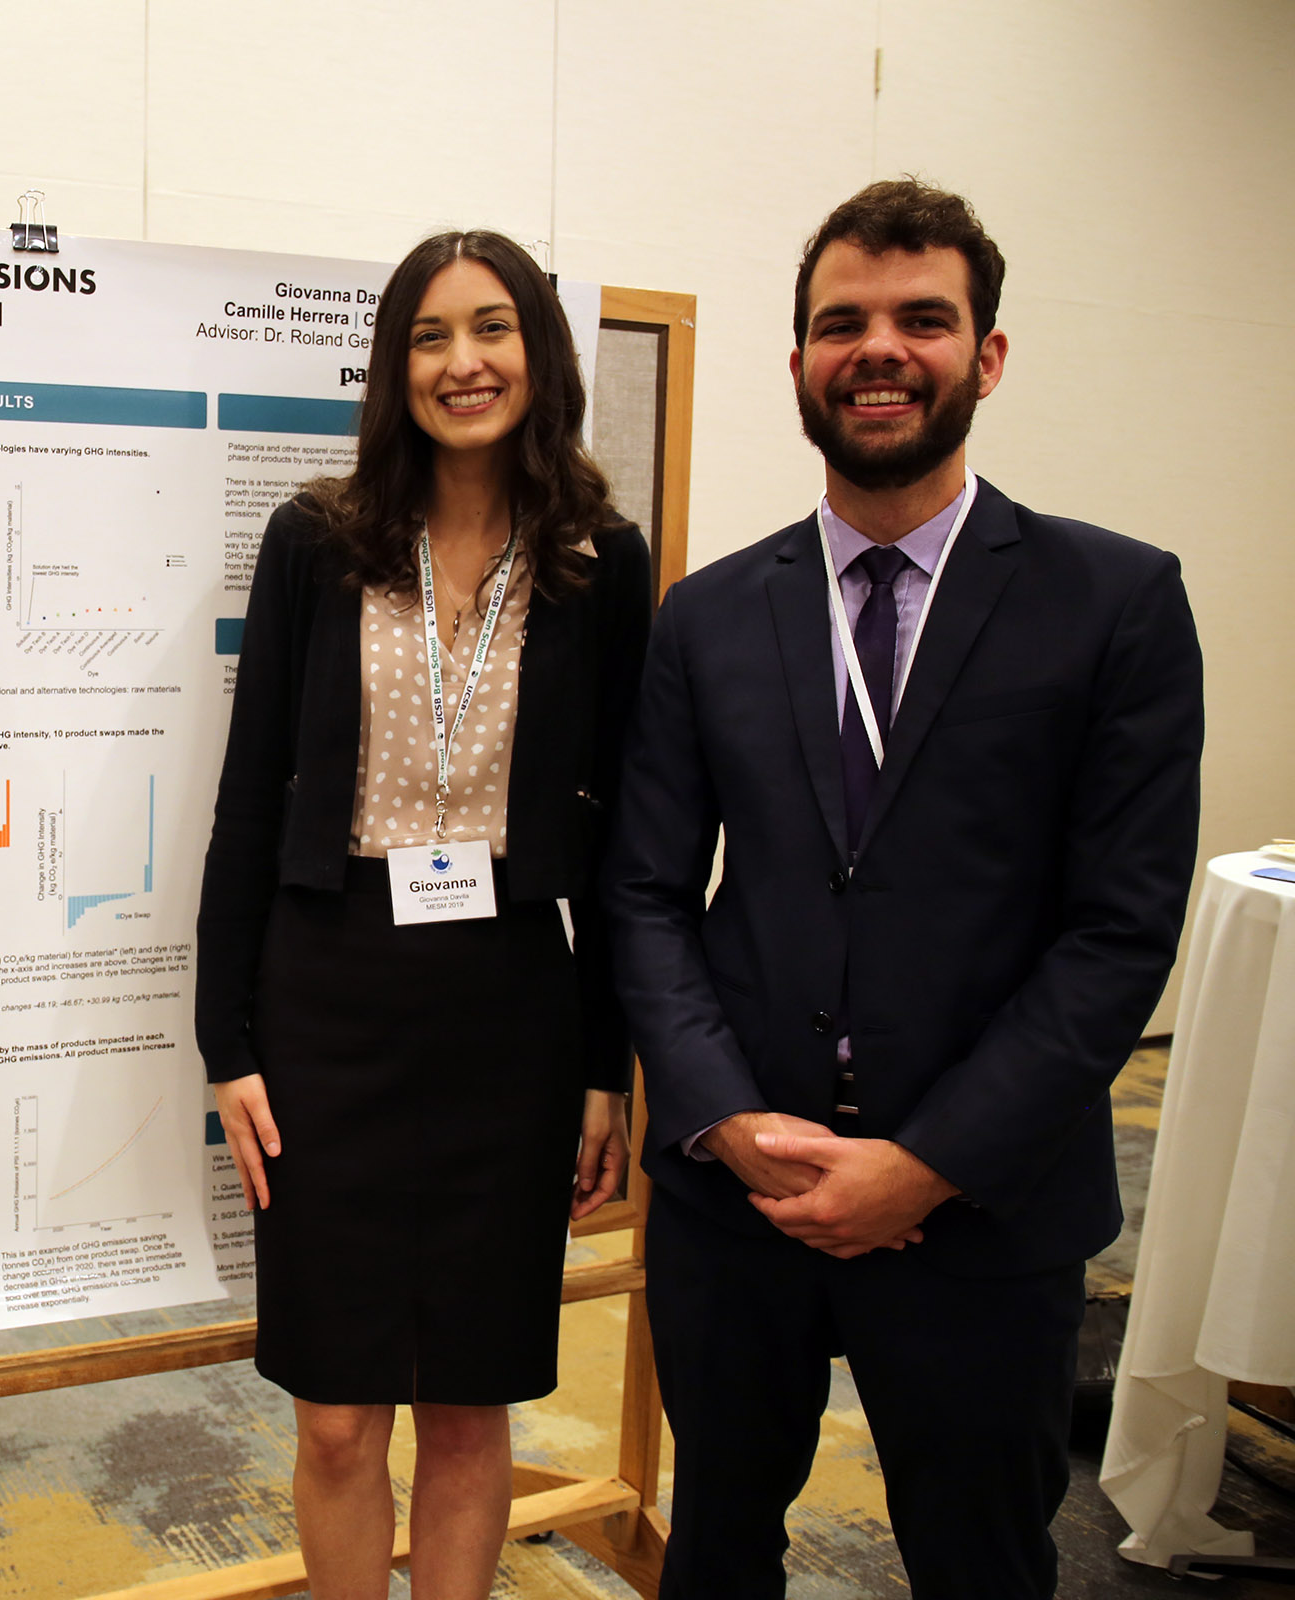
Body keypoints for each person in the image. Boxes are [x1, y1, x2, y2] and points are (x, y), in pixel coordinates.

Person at [604, 179, 1203, 1596]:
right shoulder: (711, 615)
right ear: (800, 363)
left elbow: (1118, 933)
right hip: (739, 1202)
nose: (879, 349)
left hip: (981, 1212)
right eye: (841, 324)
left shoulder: (1113, 604)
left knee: (981, 1563)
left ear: (986, 355)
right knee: (721, 1543)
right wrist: (728, 1123)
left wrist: (927, 1164)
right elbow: (642, 893)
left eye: (921, 319)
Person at [198, 230, 651, 1599]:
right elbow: (246, 800)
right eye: (432, 336)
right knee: (337, 1413)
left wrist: (601, 1066)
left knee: (467, 1402)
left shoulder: (596, 558)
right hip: (327, 999)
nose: (465, 362)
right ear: (397, 368)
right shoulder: (317, 542)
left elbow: (628, 831)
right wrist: (227, 1044)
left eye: (494, 328)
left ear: (539, 354)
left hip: (509, 1007)